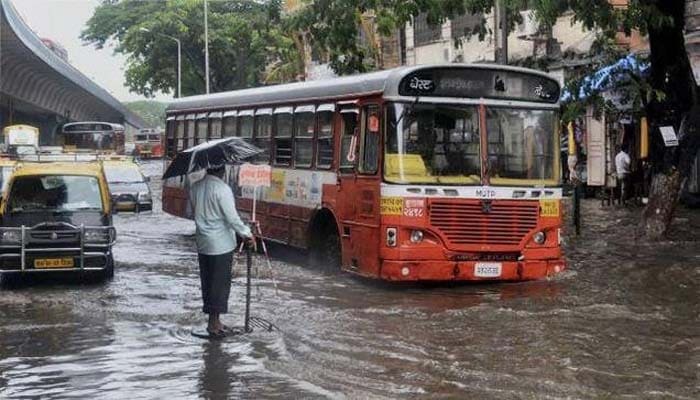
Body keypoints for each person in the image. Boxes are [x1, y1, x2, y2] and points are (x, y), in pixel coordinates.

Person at [189, 164, 253, 337]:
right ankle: (214, 325)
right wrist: (247, 233)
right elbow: (232, 218)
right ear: (222, 170)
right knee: (220, 284)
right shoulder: (223, 189)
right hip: (221, 244)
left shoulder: (195, 187)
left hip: (203, 243)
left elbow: (193, 211)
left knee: (208, 283)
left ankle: (214, 321)